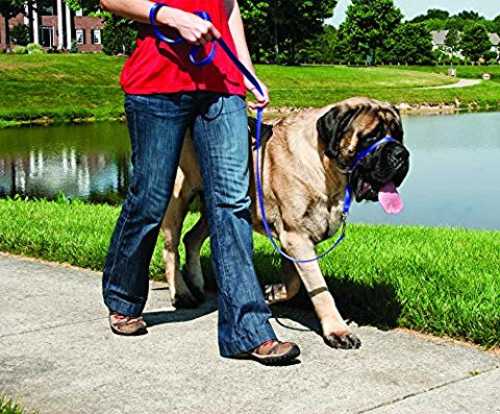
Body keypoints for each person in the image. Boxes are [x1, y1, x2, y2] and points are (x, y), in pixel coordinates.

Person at [99, 0, 301, 365]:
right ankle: (124, 297)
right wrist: (171, 16)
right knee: (150, 197)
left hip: (222, 84)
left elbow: (230, 7)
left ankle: (248, 331)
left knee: (232, 202)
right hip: (156, 85)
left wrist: (246, 70)